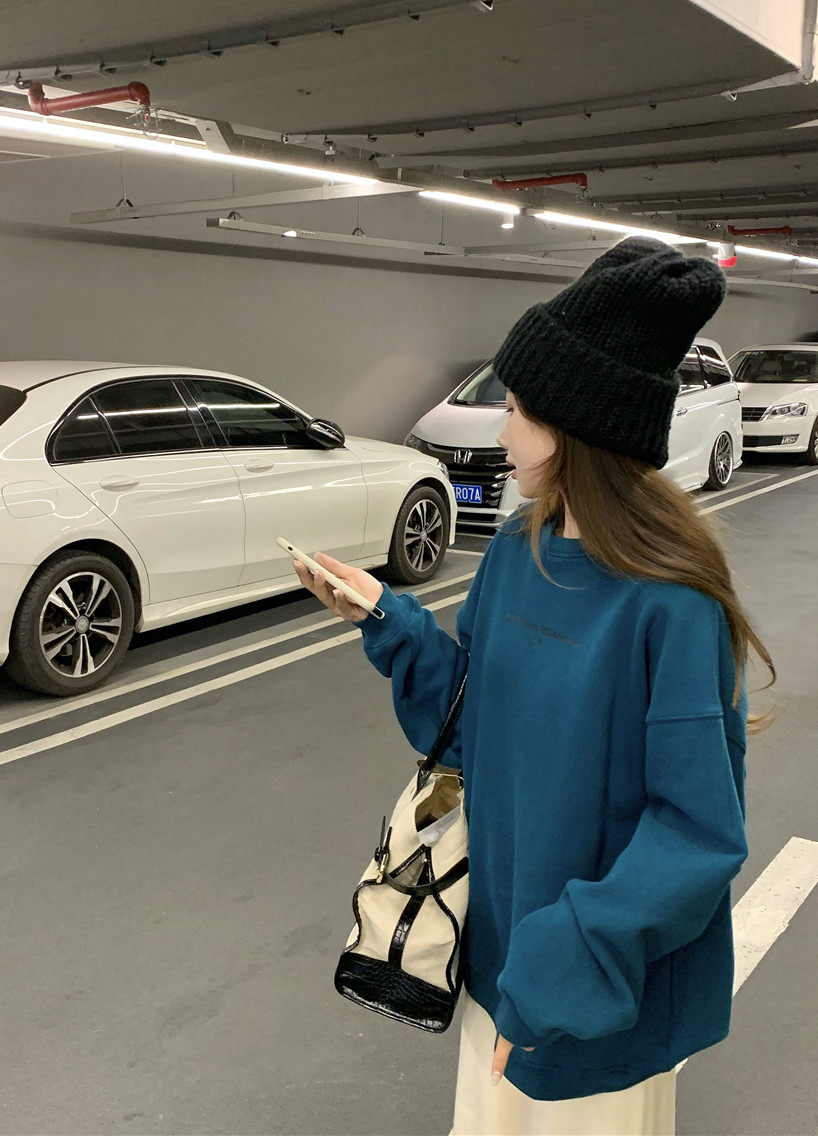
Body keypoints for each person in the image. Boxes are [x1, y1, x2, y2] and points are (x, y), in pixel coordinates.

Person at [293, 237, 777, 1136]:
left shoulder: (671, 605)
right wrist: (387, 621)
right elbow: (470, 725)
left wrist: (564, 964)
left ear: (576, 427)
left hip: (593, 990)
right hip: (501, 960)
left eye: (516, 409)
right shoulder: (517, 554)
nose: (500, 431)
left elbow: (697, 832)